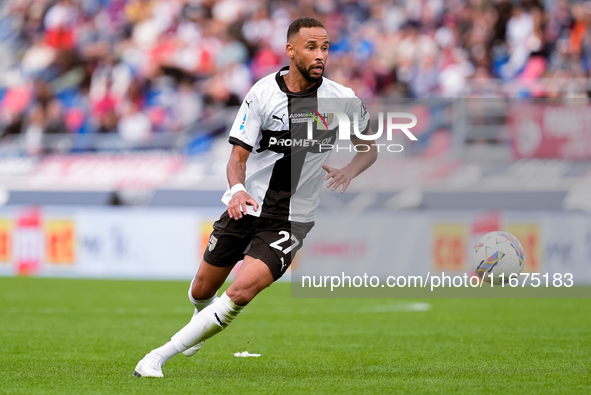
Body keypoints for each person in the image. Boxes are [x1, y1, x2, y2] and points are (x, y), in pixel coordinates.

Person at [134, 17, 378, 378]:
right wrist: (237, 190)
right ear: (290, 50)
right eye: (311, 47)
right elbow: (237, 158)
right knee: (202, 288)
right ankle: (199, 320)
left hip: (292, 218)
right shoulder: (263, 94)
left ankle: (156, 356)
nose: (320, 55)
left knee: (242, 291)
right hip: (246, 206)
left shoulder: (342, 100)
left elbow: (368, 148)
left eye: (325, 47)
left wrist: (349, 170)